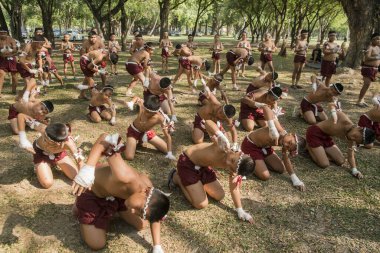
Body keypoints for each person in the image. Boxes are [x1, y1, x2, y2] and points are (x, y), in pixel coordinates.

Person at [71, 133, 170, 252]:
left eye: (140, 212)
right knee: (97, 244)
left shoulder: (149, 192)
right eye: (140, 208)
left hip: (115, 195)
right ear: (145, 191)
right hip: (92, 192)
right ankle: (80, 208)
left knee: (142, 224)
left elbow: (154, 214)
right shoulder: (124, 176)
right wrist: (88, 168)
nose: (134, 211)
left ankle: (111, 208)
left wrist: (157, 246)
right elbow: (105, 138)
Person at [168, 120, 255, 222]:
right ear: (239, 153)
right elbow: (208, 122)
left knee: (220, 195)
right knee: (201, 204)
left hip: (203, 167)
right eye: (232, 160)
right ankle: (177, 177)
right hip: (187, 164)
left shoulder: (235, 166)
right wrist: (219, 134)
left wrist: (240, 210)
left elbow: (234, 189)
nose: (228, 163)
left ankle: (197, 183)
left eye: (232, 167)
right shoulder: (225, 145)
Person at [240, 104, 306, 191]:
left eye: (289, 147)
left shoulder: (285, 142)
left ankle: (259, 161)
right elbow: (266, 108)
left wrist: (295, 179)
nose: (286, 145)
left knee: (280, 169)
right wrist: (271, 127)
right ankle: (247, 159)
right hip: (250, 146)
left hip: (264, 148)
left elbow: (286, 159)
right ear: (291, 134)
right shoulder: (280, 130)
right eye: (289, 142)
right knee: (265, 176)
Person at [306, 110, 376, 178]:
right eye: (355, 136)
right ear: (359, 128)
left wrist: (354, 170)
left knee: (341, 161)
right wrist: (333, 111)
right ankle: (308, 145)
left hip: (326, 138)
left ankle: (319, 149)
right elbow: (335, 107)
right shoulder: (344, 120)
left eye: (355, 140)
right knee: (324, 164)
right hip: (314, 133)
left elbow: (351, 155)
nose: (352, 138)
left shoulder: (351, 137)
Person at [28, 123, 83, 189]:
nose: (45, 144)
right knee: (47, 183)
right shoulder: (43, 128)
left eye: (50, 143)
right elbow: (22, 117)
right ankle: (39, 165)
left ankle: (55, 162)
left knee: (76, 176)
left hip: (58, 154)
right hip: (41, 153)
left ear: (60, 143)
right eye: (44, 139)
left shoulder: (69, 143)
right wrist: (23, 138)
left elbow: (80, 162)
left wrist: (82, 180)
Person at [124, 95, 175, 161]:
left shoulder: (160, 118)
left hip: (146, 133)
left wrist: (170, 153)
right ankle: (134, 143)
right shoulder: (142, 104)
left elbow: (167, 136)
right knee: (129, 157)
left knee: (166, 150)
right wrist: (131, 102)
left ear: (156, 111)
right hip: (134, 131)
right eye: (146, 111)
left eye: (151, 113)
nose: (148, 114)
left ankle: (141, 140)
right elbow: (136, 97)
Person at [17, 35, 45, 102]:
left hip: (30, 65)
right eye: (41, 44)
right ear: (35, 42)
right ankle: (28, 99)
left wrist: (40, 67)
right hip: (22, 65)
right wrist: (29, 69)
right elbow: (21, 60)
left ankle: (19, 97)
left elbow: (39, 58)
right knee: (29, 84)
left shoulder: (38, 47)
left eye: (42, 44)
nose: (41, 46)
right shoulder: (27, 46)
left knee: (30, 84)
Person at [356, 33, 380, 107]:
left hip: (374, 69)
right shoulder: (370, 47)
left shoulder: (378, 48)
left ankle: (362, 100)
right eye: (377, 39)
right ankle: (359, 101)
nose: (378, 40)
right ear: (372, 40)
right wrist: (376, 57)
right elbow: (367, 58)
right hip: (368, 68)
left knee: (368, 85)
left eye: (379, 39)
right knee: (366, 84)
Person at [0, 29, 18, 96]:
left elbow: (15, 49)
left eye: (4, 33)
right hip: (1, 59)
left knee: (14, 75)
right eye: (1, 33)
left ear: (7, 33)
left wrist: (10, 53)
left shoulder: (11, 39)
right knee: (1, 74)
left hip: (12, 59)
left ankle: (14, 90)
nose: (3, 34)